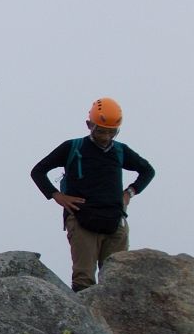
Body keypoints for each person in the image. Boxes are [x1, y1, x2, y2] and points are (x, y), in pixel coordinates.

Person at [30, 97, 154, 292]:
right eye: (101, 130)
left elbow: (148, 171)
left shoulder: (120, 151)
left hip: (115, 221)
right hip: (81, 219)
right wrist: (56, 195)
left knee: (116, 279)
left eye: (111, 132)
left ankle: (111, 321)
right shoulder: (73, 147)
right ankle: (84, 321)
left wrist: (129, 192)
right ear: (89, 125)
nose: (106, 136)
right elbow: (38, 171)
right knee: (83, 280)